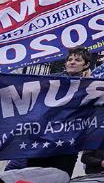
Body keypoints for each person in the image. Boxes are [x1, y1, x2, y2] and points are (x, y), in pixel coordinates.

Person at [26, 47, 94, 175]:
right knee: (32, 180)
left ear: (86, 65)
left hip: (67, 144)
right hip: (42, 141)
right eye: (70, 59)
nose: (72, 62)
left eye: (77, 60)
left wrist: (88, 82)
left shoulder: (92, 85)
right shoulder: (51, 79)